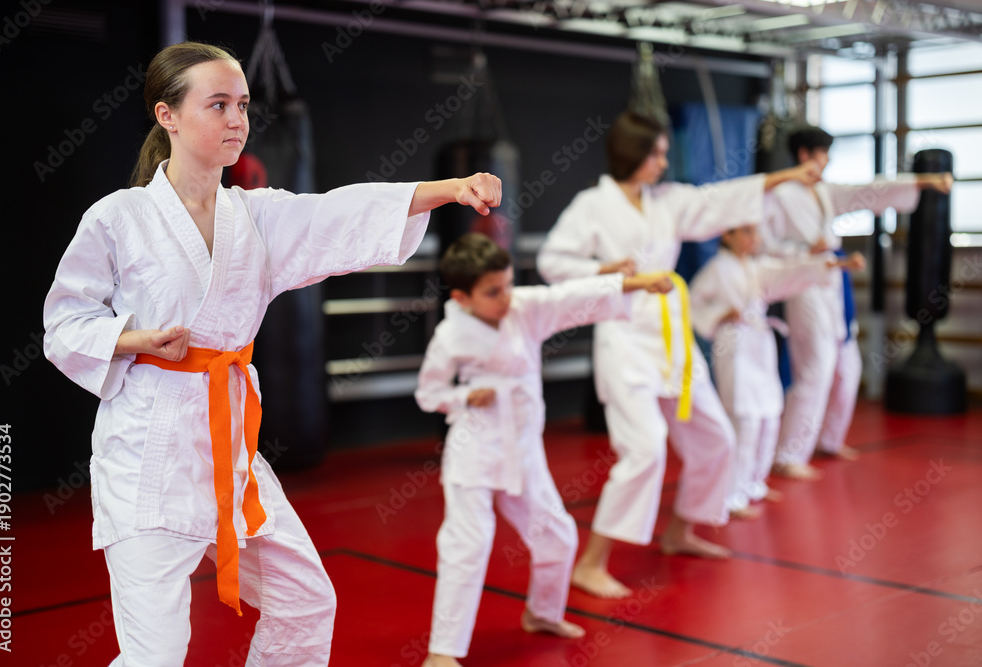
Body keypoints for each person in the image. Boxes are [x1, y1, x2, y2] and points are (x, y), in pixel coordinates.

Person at [42, 41, 501, 667]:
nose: (238, 120)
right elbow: (64, 322)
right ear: (167, 115)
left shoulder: (254, 217)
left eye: (243, 106)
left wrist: (451, 188)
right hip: (149, 452)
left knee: (305, 600)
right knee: (156, 653)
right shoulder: (119, 218)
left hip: (231, 451)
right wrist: (132, 338)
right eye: (219, 105)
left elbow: (338, 213)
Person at [536, 110, 822, 599]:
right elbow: (551, 262)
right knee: (645, 448)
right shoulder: (591, 205)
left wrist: (787, 176)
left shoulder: (666, 202)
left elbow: (722, 200)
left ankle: (679, 531)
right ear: (633, 154)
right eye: (657, 154)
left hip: (672, 336)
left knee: (716, 438)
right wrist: (606, 268)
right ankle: (591, 562)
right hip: (625, 338)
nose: (664, 163)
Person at [415, 233, 674, 667]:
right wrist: (463, 397)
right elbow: (429, 392)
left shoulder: (524, 308)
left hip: (522, 449)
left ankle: (542, 613)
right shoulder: (450, 334)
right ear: (461, 298)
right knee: (468, 546)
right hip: (474, 451)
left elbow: (569, 297)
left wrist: (638, 283)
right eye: (492, 292)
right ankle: (441, 653)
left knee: (557, 536)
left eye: (508, 285)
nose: (505, 298)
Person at [763, 125, 953, 480]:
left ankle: (829, 439)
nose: (827, 160)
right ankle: (789, 454)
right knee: (815, 369)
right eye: (822, 153)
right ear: (805, 154)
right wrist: (803, 250)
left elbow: (866, 192)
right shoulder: (779, 194)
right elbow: (762, 248)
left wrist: (924, 182)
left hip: (833, 285)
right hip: (804, 286)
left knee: (847, 369)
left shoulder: (822, 192)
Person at [689, 223, 865, 517]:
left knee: (770, 416)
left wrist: (839, 263)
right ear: (727, 235)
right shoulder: (717, 268)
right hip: (734, 345)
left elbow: (791, 270)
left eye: (755, 233)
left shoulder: (757, 266)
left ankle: (754, 483)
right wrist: (719, 314)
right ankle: (732, 495)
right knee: (745, 419)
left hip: (760, 342)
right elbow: (692, 304)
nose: (753, 239)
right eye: (745, 233)